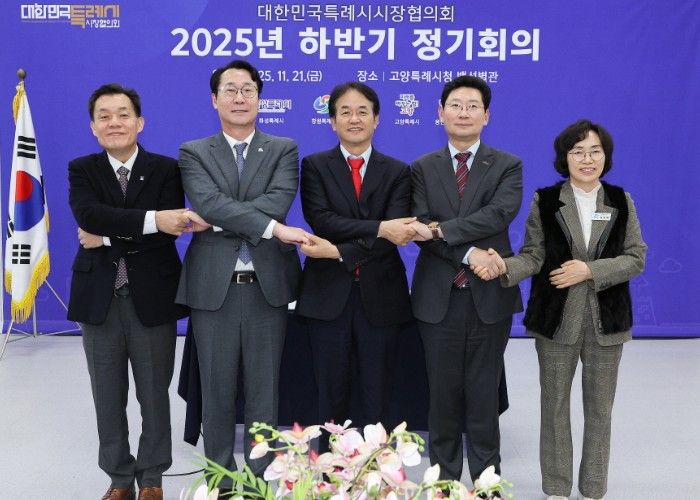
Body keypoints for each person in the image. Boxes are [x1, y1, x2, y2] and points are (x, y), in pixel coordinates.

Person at [474, 120, 646, 500]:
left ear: (605, 157)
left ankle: (593, 489)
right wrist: (503, 266)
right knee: (553, 408)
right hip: (555, 321)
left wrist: (590, 270)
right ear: (564, 158)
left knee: (600, 410)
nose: (587, 159)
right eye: (577, 151)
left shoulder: (621, 201)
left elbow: (636, 257)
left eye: (595, 151)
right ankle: (556, 488)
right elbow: (533, 255)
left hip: (607, 322)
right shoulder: (547, 201)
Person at [175, 60, 308, 488]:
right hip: (214, 289)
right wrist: (267, 226)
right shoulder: (194, 151)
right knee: (215, 390)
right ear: (214, 99)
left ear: (259, 98)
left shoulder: (283, 148)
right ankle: (218, 477)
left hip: (266, 287)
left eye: (247, 89)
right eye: (229, 90)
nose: (239, 97)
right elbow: (206, 202)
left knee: (264, 391)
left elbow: (277, 201)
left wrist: (218, 220)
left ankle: (258, 477)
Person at [68, 83, 191, 500]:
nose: (114, 123)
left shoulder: (166, 169)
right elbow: (89, 214)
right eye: (104, 116)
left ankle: (152, 477)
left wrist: (105, 238)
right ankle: (119, 478)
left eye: (123, 115)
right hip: (99, 299)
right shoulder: (82, 169)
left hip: (152, 297)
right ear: (93, 127)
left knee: (154, 394)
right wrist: (151, 220)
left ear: (140, 122)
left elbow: (169, 232)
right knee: (107, 395)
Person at [409, 75, 523, 483]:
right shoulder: (422, 168)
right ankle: (443, 481)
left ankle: (488, 481)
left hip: (488, 296)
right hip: (437, 299)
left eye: (473, 106)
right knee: (441, 396)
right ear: (440, 113)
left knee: (483, 394)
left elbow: (498, 215)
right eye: (455, 105)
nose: (464, 113)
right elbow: (419, 227)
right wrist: (469, 252)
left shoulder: (507, 165)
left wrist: (441, 229)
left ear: (486, 115)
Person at [295, 82, 414, 447]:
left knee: (379, 396)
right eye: (345, 112)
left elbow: (396, 233)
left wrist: (339, 251)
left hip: (382, 297)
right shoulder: (315, 166)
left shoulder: (398, 171)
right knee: (330, 397)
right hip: (327, 297)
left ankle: (377, 469)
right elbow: (323, 220)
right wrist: (379, 227)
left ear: (376, 119)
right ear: (332, 121)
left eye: (363, 111)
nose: (354, 118)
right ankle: (330, 472)